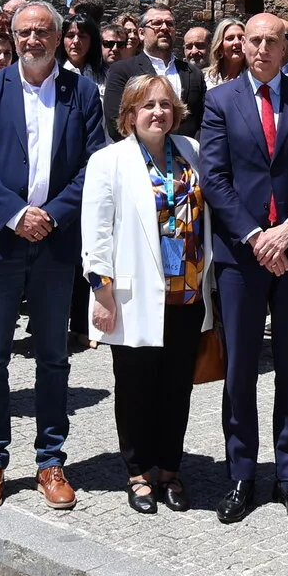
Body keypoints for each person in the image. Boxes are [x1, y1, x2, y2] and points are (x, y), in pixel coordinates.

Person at [0, 2, 107, 513]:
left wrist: (54, 215)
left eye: (42, 31)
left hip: (56, 241)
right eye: (24, 32)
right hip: (0, 239)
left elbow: (94, 164)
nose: (32, 40)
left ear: (60, 37)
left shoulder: (81, 90)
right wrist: (18, 214)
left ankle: (50, 461)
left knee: (53, 358)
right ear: (11, 36)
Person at [198, 12, 288, 525]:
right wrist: (257, 237)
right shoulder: (220, 100)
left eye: (269, 41)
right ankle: (241, 474)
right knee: (240, 369)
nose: (259, 49)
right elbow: (214, 177)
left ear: (286, 47)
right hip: (242, 255)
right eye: (251, 40)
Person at [84, 74, 211, 515]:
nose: (158, 112)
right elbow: (97, 231)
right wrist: (101, 292)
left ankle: (170, 470)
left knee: (177, 386)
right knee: (136, 386)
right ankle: (138, 472)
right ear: (130, 115)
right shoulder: (109, 161)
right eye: (148, 105)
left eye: (165, 104)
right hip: (133, 294)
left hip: (187, 292)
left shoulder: (192, 152)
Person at [102, 3, 208, 141]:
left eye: (169, 24)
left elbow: (204, 120)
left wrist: (188, 150)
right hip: (140, 157)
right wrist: (155, 151)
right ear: (141, 33)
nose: (164, 28)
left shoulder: (193, 73)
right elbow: (115, 121)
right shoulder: (122, 71)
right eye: (157, 23)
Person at [206, 17, 247, 84]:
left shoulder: (256, 78)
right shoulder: (206, 79)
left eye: (240, 38)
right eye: (230, 38)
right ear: (219, 46)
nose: (237, 42)